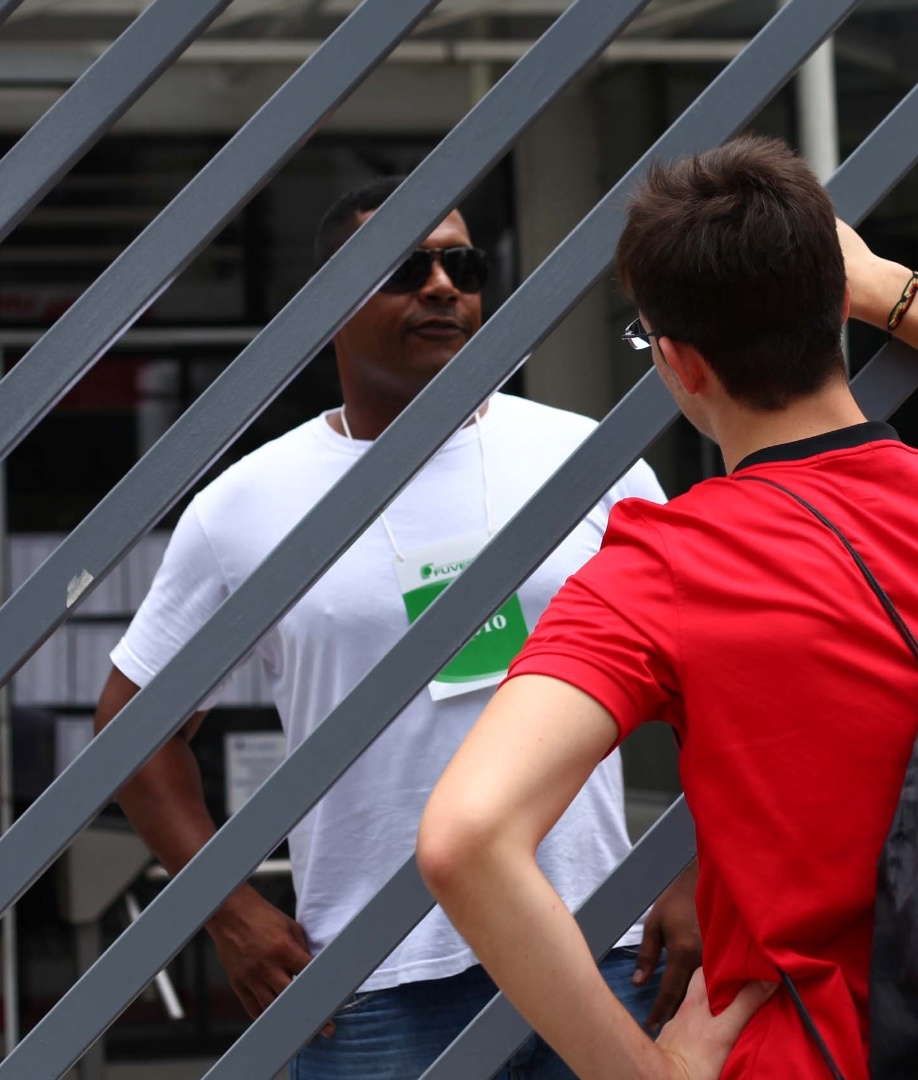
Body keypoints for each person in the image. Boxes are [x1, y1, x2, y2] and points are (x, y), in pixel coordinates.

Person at [417, 135, 918, 1079]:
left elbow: (465, 837)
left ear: (683, 363)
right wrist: (892, 289)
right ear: (835, 319)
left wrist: (644, 1073)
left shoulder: (664, 567)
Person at [98, 178, 701, 1080]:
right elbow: (132, 730)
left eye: (461, 263)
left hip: (598, 946)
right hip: (372, 980)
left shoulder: (588, 459)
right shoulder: (245, 507)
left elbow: (711, 674)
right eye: (403, 268)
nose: (441, 286)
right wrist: (230, 912)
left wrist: (696, 870)